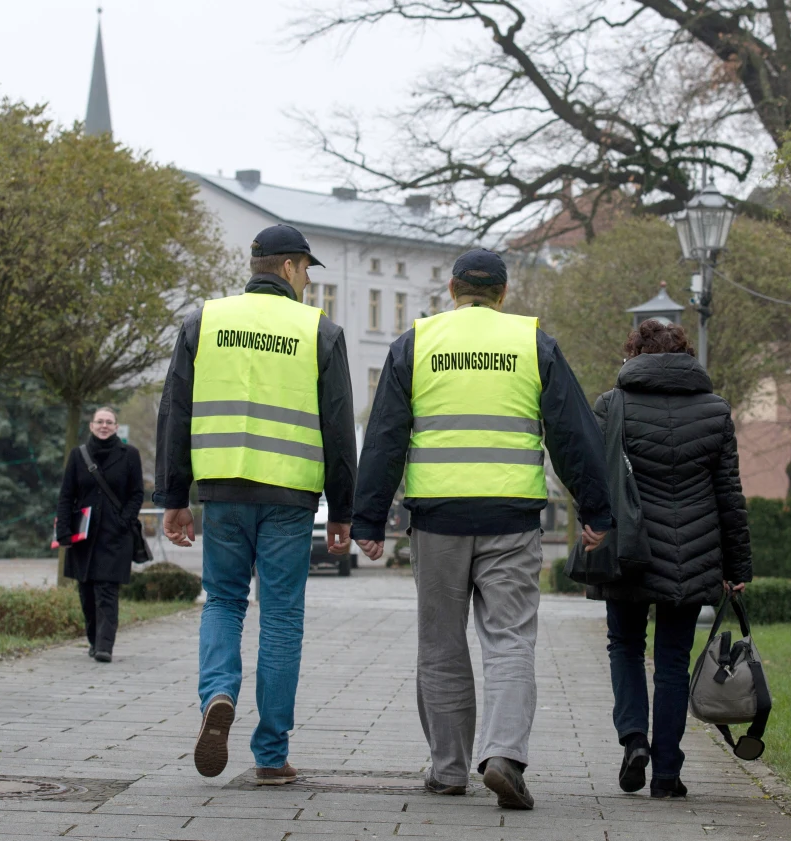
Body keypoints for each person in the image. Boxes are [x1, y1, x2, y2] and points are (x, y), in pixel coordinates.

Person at [352, 248, 612, 810]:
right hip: (512, 520)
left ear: (450, 289)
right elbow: (573, 433)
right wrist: (596, 510)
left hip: (438, 521)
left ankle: (447, 770)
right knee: (510, 639)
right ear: (504, 293)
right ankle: (503, 757)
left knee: (441, 645)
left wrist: (370, 517)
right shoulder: (532, 342)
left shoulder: (414, 345)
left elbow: (385, 436)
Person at [154, 224, 357, 785]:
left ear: (255, 265)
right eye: (307, 273)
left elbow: (175, 410)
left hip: (221, 493)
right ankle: (270, 753)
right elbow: (340, 429)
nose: (308, 285)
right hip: (290, 497)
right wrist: (343, 510)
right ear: (290, 269)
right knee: (282, 617)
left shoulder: (204, 321)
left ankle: (218, 693)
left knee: (222, 601)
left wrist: (174, 497)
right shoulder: (320, 331)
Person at [588, 320, 751, 799]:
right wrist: (737, 567)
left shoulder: (612, 405)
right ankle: (666, 773)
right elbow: (729, 495)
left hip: (628, 549)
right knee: (674, 662)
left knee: (624, 646)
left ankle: (634, 739)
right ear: (684, 356)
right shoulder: (715, 411)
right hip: (695, 552)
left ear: (634, 353)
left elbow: (596, 478)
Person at [55, 406, 143, 663]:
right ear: (92, 425)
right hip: (83, 537)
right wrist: (63, 532)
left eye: (109, 422)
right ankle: (94, 640)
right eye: (100, 421)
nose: (104, 426)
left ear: (116, 427)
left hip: (115, 537)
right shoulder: (78, 456)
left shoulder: (130, 455)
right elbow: (66, 495)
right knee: (86, 592)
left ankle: (105, 646)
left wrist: (125, 520)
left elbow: (137, 493)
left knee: (107, 591)